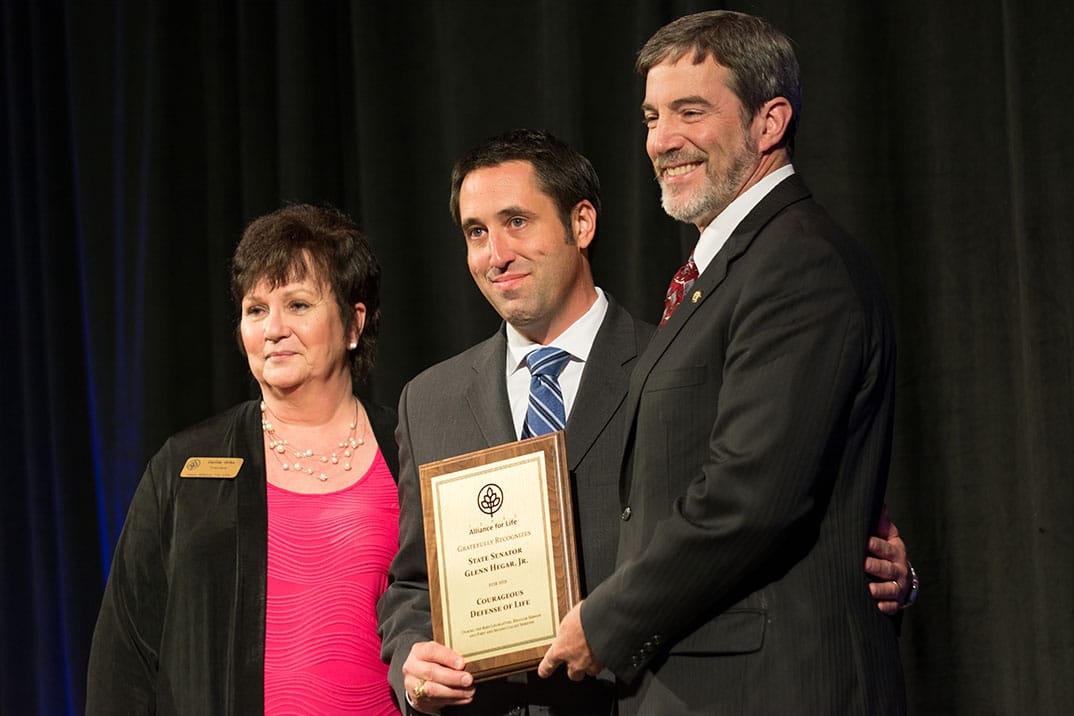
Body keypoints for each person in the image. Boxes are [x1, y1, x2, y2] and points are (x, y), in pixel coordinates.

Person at [378, 130, 911, 715]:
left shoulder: (681, 369)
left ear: (581, 224)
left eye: (516, 222)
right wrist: (413, 662)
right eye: (476, 232)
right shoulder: (429, 400)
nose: (495, 254)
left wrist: (891, 576)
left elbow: (757, 515)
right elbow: (413, 584)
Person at [538, 11, 907, 714]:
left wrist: (606, 623)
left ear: (769, 123)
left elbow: (752, 496)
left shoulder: (797, 264)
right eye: (651, 116)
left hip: (775, 686)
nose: (661, 140)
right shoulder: (729, 268)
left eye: (691, 112)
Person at [86, 204, 401, 714]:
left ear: (352, 322)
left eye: (297, 304)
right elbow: (124, 657)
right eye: (256, 309)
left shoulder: (410, 448)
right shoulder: (185, 465)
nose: (273, 328)